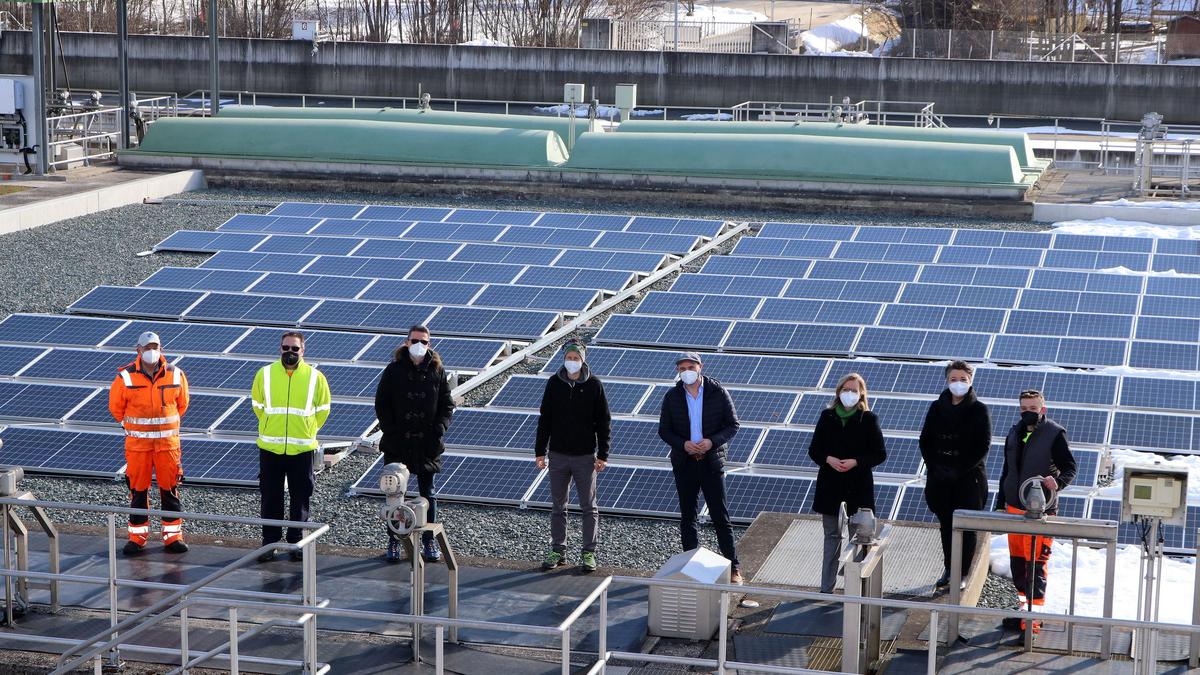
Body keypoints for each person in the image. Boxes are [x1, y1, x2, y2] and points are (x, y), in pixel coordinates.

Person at [658, 352, 743, 584]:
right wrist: (683, 444)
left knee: (720, 516)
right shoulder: (672, 396)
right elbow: (664, 430)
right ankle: (690, 567)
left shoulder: (718, 392)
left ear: (700, 367)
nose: (687, 371)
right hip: (685, 463)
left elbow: (733, 424)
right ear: (678, 371)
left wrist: (711, 442)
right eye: (682, 367)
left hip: (711, 462)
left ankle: (734, 568)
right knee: (688, 517)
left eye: (691, 366)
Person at [995, 389, 1076, 631]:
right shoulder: (1014, 432)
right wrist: (1000, 503)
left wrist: (1058, 483)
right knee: (1018, 564)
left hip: (1040, 512)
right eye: (1024, 408)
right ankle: (1023, 613)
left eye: (1033, 408)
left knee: (1036, 567)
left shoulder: (1054, 434)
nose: (1028, 412)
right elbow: (1007, 470)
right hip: (1013, 508)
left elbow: (1070, 467)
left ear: (1043, 408)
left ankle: (1033, 621)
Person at [374, 325, 455, 564]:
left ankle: (429, 539)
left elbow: (446, 405)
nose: (420, 344)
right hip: (397, 443)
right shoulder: (393, 370)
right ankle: (395, 540)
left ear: (430, 344)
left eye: (424, 341)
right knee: (395, 495)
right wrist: (391, 430)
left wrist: (438, 430)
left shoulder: (437, 371)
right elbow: (382, 403)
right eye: (415, 340)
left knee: (427, 493)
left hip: (427, 444)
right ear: (407, 342)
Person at [251, 331, 331, 563]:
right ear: (280, 348)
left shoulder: (316, 377)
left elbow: (323, 409)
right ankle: (270, 543)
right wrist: (270, 426)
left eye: (295, 348)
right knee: (270, 496)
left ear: (303, 351)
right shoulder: (265, 374)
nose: (290, 352)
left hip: (302, 448)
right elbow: (257, 405)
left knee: (301, 496)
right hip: (270, 447)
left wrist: (307, 429)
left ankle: (297, 542)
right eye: (286, 347)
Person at [109, 331, 190, 556]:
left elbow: (182, 404)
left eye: (155, 347)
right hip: (138, 448)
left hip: (167, 446)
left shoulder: (175, 375)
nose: (151, 351)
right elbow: (116, 409)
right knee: (138, 491)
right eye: (147, 347)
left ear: (161, 349)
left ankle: (173, 537)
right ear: (138, 350)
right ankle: (137, 538)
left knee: (170, 490)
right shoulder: (125, 377)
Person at [534, 339, 612, 573]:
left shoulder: (594, 385)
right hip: (557, 455)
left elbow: (604, 422)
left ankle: (588, 552)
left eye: (576, 358)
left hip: (585, 456)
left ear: (583, 359)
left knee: (589, 506)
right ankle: (558, 550)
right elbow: (544, 419)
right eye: (569, 357)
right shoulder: (554, 384)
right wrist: (540, 451)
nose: (572, 362)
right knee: (559, 506)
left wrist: (603, 454)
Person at [808, 373, 886, 594]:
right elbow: (814, 450)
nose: (849, 394)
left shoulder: (869, 419)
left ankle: (856, 590)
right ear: (838, 392)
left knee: (860, 539)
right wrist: (828, 459)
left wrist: (856, 462)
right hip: (830, 486)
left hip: (858, 487)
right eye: (846, 389)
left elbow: (879, 454)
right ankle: (826, 588)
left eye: (854, 390)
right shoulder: (827, 416)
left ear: (861, 394)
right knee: (831, 537)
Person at [919, 360, 991, 589]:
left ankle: (962, 573)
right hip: (939, 479)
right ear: (947, 380)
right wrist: (936, 467)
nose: (957, 383)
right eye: (953, 379)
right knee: (946, 525)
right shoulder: (936, 407)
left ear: (970, 381)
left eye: (962, 379)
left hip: (968, 480)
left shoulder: (979, 410)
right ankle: (949, 568)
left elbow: (983, 445)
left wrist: (958, 469)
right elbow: (926, 441)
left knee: (966, 528)